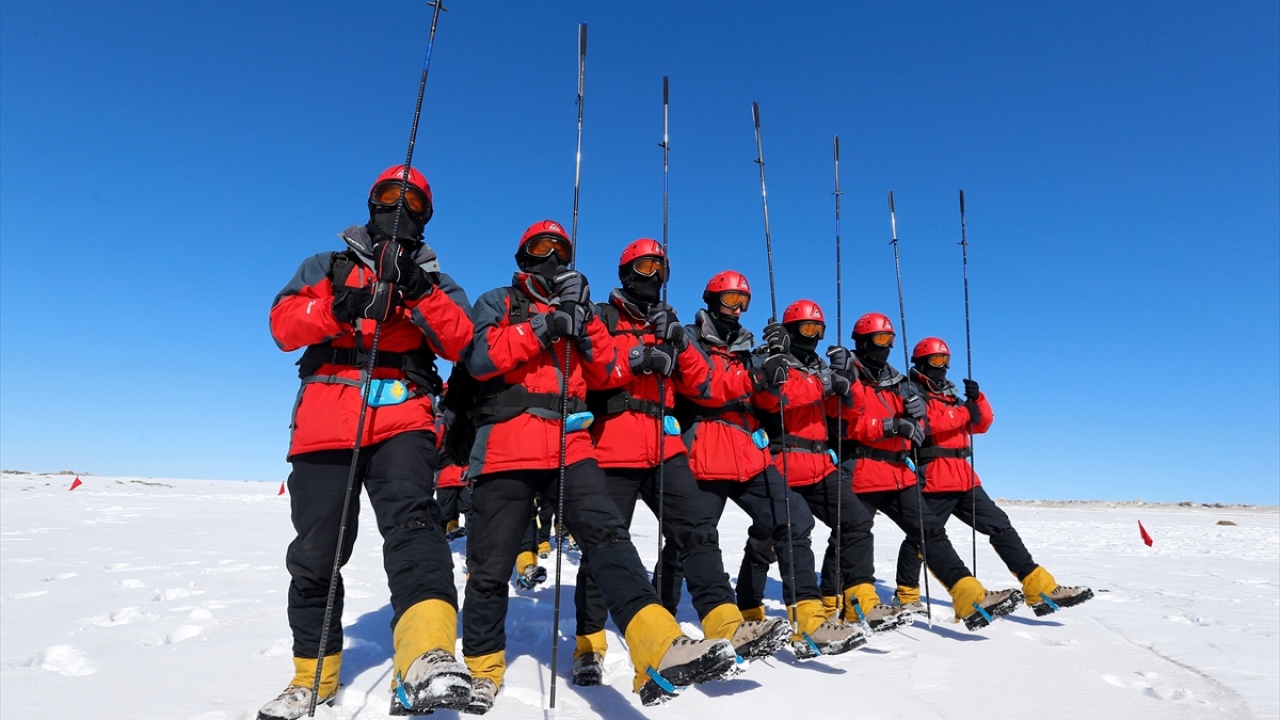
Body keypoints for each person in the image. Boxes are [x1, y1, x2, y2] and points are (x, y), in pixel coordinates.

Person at [458, 221, 737, 712]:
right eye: (541, 248)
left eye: (561, 249)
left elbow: (607, 370)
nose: (552, 256)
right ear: (523, 257)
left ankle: (657, 645)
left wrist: (593, 327)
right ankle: (483, 667)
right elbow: (479, 359)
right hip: (505, 444)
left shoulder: (583, 311)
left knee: (610, 541)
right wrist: (542, 326)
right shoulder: (498, 301)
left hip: (571, 444)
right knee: (489, 567)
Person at [261, 165, 475, 719]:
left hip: (402, 416)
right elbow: (283, 326)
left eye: (413, 201)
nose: (399, 207)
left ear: (427, 216)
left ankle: (426, 655)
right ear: (370, 202)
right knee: (317, 552)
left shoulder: (435, 277)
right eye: (388, 195)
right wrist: (341, 307)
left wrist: (420, 291)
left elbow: (461, 343)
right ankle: (312, 678)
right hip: (324, 424)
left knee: (414, 525)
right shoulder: (326, 266)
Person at [573, 241, 790, 687]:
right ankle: (589, 645)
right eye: (643, 266)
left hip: (664, 445)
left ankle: (724, 623)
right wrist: (638, 357)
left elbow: (706, 385)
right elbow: (592, 369)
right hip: (612, 443)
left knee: (698, 532)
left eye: (660, 267)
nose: (652, 275)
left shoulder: (670, 323)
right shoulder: (603, 316)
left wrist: (678, 344)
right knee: (606, 547)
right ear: (626, 271)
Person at [658, 272, 868, 659]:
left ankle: (809, 619)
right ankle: (664, 617)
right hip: (705, 450)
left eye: (744, 303)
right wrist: (759, 375)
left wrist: (776, 363)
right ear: (710, 300)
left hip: (748, 453)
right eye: (730, 301)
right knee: (687, 540)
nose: (737, 310)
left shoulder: (748, 347)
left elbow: (773, 397)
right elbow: (701, 384)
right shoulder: (689, 337)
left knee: (794, 520)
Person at [826, 312, 1022, 630]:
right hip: (864, 469)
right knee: (850, 537)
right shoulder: (853, 377)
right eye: (879, 339)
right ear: (862, 341)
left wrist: (914, 417)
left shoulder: (900, 383)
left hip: (898, 473)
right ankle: (835, 602)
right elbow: (854, 423)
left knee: (930, 533)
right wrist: (895, 425)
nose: (886, 346)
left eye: (890, 340)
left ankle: (969, 597)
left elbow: (928, 424)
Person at [742, 300, 914, 634]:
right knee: (770, 538)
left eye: (819, 330)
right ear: (791, 330)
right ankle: (759, 606)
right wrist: (822, 384)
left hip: (820, 463)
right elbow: (777, 398)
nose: (814, 336)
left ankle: (859, 598)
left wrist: (847, 380)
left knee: (856, 522)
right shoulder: (771, 360)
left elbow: (850, 414)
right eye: (808, 329)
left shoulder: (823, 368)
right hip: (782, 460)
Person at [896, 337, 1094, 615]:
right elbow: (928, 423)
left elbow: (982, 423)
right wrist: (965, 410)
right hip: (933, 478)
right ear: (921, 362)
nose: (942, 366)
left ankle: (1039, 588)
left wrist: (978, 399)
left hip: (964, 477)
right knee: (921, 538)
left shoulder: (950, 393)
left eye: (946, 360)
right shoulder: (910, 390)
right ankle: (906, 596)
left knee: (1000, 526)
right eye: (936, 360)